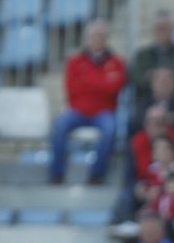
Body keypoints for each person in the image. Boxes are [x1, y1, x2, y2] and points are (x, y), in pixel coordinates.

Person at [49, 21, 127, 186]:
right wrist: (102, 82)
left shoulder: (117, 62)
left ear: (106, 38)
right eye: (94, 35)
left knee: (110, 130)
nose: (98, 39)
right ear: (87, 38)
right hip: (78, 111)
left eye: (101, 35)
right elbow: (71, 89)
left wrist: (87, 82)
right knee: (58, 125)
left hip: (105, 112)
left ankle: (96, 174)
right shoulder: (74, 61)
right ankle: (57, 173)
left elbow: (115, 89)